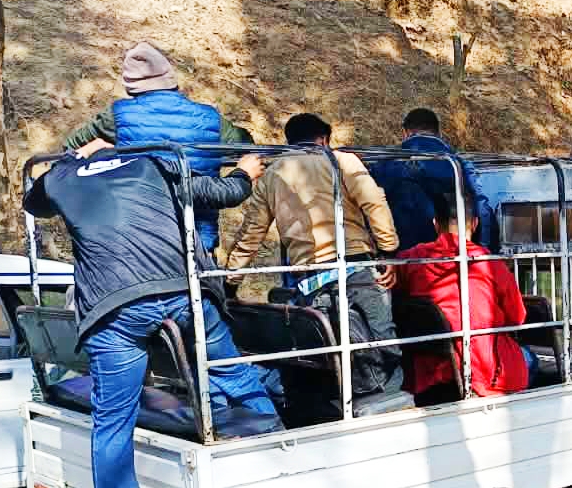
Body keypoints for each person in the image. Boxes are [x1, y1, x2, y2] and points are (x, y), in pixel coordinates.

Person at [24, 148, 281, 488]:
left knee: (112, 418)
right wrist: (245, 171)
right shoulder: (154, 163)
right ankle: (275, 451)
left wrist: (70, 162)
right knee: (229, 370)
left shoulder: (61, 178)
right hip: (180, 291)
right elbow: (225, 192)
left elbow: (32, 202)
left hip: (113, 306)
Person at [225, 113, 403, 396]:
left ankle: (340, 403)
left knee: (328, 348)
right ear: (323, 139)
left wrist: (231, 280)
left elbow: (251, 232)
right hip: (357, 267)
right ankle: (391, 400)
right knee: (382, 341)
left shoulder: (273, 174)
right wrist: (388, 251)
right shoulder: (343, 161)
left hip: (309, 277)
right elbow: (374, 203)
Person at [61, 41, 249, 255]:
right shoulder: (210, 118)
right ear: (171, 78)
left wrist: (106, 148)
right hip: (197, 245)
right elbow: (246, 146)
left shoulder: (117, 116)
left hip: (136, 245)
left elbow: (72, 149)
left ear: (130, 85)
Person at [396, 193, 529, 403]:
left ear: (435, 224)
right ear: (475, 224)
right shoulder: (489, 263)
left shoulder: (409, 260)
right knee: (531, 359)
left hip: (427, 371)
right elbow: (518, 318)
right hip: (484, 372)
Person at [370, 108, 499, 252]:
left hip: (402, 260)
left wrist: (383, 255)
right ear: (439, 132)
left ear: (405, 133)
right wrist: (486, 252)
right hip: (453, 257)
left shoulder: (383, 165)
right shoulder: (458, 164)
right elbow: (482, 210)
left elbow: (372, 209)